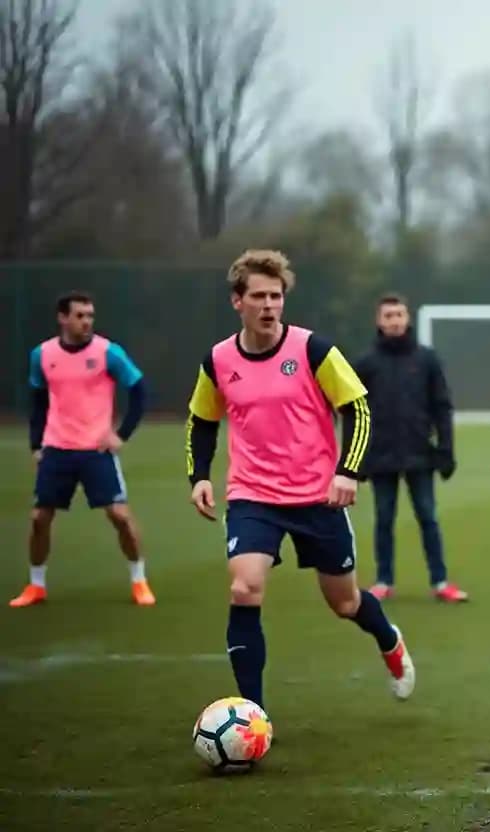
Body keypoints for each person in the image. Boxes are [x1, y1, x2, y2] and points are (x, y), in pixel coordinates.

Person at [186, 250, 416, 711]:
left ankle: (389, 640)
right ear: (238, 301)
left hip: (317, 497)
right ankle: (253, 713)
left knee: (346, 603)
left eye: (276, 296)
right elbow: (202, 419)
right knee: (244, 587)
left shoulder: (313, 350)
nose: (269, 305)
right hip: (253, 495)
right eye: (258, 296)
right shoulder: (218, 360)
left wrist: (347, 471)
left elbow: (358, 409)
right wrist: (200, 477)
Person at [12, 291, 152, 608]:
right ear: (62, 318)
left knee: (119, 515)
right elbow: (38, 402)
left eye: (90, 315)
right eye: (80, 315)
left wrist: (122, 434)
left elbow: (140, 391)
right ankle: (36, 586)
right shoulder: (42, 354)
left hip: (96, 450)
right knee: (39, 518)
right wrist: (36, 445)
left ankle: (139, 580)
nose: (86, 321)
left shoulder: (108, 352)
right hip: (57, 449)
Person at [354, 293, 467, 603]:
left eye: (399, 315)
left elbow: (442, 407)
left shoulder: (426, 359)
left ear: (408, 319)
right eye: (388, 315)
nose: (394, 321)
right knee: (384, 518)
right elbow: (354, 412)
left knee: (428, 517)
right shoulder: (366, 363)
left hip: (420, 454)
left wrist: (446, 449)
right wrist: (356, 460)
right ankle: (383, 581)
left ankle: (441, 581)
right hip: (380, 455)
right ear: (379, 321)